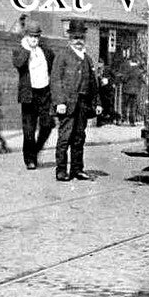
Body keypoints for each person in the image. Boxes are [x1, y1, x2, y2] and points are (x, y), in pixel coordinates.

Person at [50, 20, 102, 182]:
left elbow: (93, 83)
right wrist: (59, 102)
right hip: (67, 104)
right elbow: (56, 80)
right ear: (69, 39)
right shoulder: (62, 56)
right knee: (65, 137)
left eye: (81, 38)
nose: (78, 41)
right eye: (75, 38)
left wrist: (97, 102)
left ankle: (77, 169)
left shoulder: (87, 59)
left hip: (83, 104)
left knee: (79, 138)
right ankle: (61, 170)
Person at [13, 23, 55, 170]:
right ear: (26, 36)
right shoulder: (19, 51)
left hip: (44, 93)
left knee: (48, 125)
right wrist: (27, 49)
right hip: (29, 95)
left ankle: (35, 150)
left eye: (36, 36)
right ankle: (30, 159)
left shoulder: (45, 51)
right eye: (31, 36)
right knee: (29, 131)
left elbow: (53, 67)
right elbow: (18, 63)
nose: (34, 39)